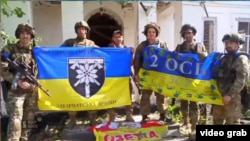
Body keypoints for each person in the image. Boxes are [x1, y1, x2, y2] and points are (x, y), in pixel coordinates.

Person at [1, 23, 38, 141]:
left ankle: (24, 138)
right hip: (16, 91)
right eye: (22, 33)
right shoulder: (9, 49)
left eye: (28, 33)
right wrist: (18, 82)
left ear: (31, 36)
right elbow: (2, 69)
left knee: (29, 118)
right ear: (18, 35)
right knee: (16, 118)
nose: (25, 35)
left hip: (31, 90)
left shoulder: (36, 51)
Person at [61, 21, 98, 127]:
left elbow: (101, 52)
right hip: (74, 74)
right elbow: (57, 51)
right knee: (72, 96)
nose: (82, 31)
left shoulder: (90, 43)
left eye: (84, 29)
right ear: (76, 30)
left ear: (86, 30)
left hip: (88, 73)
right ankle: (72, 120)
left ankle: (92, 119)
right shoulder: (69, 42)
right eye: (79, 29)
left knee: (90, 97)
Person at [133, 22, 171, 123]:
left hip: (159, 75)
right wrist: (136, 74)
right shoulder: (142, 46)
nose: (151, 34)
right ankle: (144, 116)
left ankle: (163, 114)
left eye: (153, 32)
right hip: (146, 75)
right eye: (149, 32)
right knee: (145, 96)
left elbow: (168, 58)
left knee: (161, 95)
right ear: (146, 33)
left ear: (156, 33)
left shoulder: (162, 44)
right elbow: (137, 61)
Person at [175, 24, 208, 134]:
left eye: (189, 32)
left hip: (195, 80)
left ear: (193, 34)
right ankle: (186, 123)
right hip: (183, 79)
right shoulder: (179, 47)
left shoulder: (200, 46)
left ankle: (194, 126)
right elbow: (174, 60)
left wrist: (201, 55)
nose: (187, 35)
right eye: (185, 33)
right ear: (183, 35)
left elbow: (206, 59)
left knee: (194, 103)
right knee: (183, 103)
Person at [212, 33, 250, 125]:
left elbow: (241, 80)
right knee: (217, 121)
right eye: (226, 43)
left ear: (238, 44)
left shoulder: (241, 59)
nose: (228, 45)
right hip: (219, 96)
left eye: (231, 42)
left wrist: (229, 95)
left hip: (233, 98)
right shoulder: (224, 58)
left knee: (232, 122)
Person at [107, 30, 135, 122]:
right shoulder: (109, 49)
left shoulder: (126, 49)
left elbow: (131, 63)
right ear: (112, 38)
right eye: (116, 37)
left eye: (120, 37)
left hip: (125, 77)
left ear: (122, 38)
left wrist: (132, 54)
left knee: (128, 96)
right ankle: (112, 116)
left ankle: (129, 115)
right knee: (112, 96)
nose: (118, 38)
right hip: (113, 77)